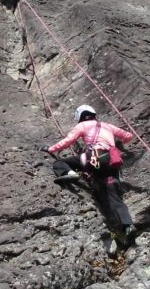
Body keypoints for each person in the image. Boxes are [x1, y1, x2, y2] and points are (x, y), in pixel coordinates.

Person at [43, 104, 136, 245]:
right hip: (111, 162)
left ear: (80, 117)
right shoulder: (107, 125)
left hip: (92, 159)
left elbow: (68, 141)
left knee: (59, 163)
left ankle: (70, 172)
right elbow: (128, 136)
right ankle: (128, 225)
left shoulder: (82, 126)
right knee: (113, 195)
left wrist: (50, 149)